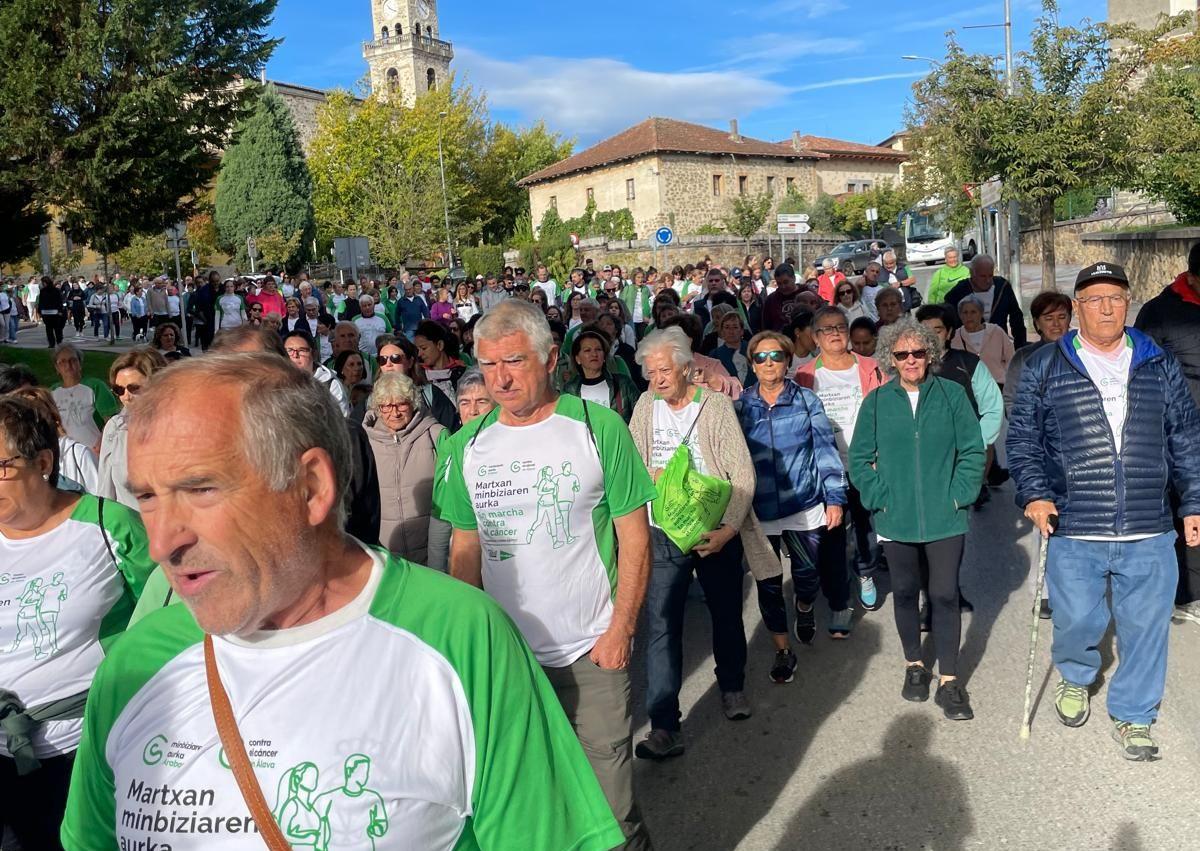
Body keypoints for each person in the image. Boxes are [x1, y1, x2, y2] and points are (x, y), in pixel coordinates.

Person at [63, 353, 625, 851]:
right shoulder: (136, 666)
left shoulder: (460, 638)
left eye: (201, 490)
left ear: (309, 487)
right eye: (147, 498)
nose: (162, 542)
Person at [433, 299, 655, 848]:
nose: (499, 379)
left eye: (512, 361)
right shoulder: (467, 447)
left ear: (550, 357)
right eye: (487, 365)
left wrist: (620, 630)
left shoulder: (597, 427)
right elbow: (465, 553)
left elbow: (635, 535)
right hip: (510, 661)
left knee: (613, 812)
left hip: (591, 651)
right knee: (536, 808)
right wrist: (471, 652)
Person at [1007, 262, 1200, 761]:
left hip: (1149, 525)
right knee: (1075, 620)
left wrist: (1194, 500)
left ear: (1129, 301)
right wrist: (1033, 493)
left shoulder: (1158, 361)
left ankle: (1135, 715)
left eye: (1116, 297)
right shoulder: (1046, 366)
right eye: (1095, 299)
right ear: (1078, 309)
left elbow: (1185, 436)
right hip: (1076, 522)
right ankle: (1075, 675)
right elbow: (1024, 439)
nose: (1107, 307)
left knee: (1146, 628)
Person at [0, 397, 153, 849]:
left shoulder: (110, 525)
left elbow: (166, 621)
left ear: (44, 462)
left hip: (84, 751)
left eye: (2, 465)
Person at [629, 327, 778, 760]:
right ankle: (663, 724)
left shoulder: (714, 407)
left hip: (714, 530)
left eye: (664, 369)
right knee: (660, 626)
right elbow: (633, 467)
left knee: (726, 613)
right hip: (663, 532)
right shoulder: (644, 407)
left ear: (685, 368)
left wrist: (729, 529)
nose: (657, 378)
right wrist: (649, 479)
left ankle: (731, 687)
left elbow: (741, 474)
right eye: (650, 371)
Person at [849, 319, 985, 721]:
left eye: (918, 353)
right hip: (896, 518)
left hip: (947, 517)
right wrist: (879, 498)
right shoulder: (876, 402)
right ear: (890, 359)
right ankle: (914, 665)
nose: (911, 360)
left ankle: (949, 679)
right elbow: (859, 459)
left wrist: (960, 495)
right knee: (906, 592)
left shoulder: (952, 395)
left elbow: (973, 451)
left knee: (944, 594)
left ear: (930, 354)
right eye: (902, 354)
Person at [736, 330, 850, 685]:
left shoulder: (806, 401)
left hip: (804, 504)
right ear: (752, 365)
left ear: (787, 361)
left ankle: (804, 606)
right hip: (759, 513)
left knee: (806, 576)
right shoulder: (741, 407)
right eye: (760, 357)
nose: (768, 364)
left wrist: (835, 497)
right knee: (769, 585)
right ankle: (783, 650)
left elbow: (825, 450)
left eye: (776, 356)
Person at [795, 308, 886, 609]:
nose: (834, 333)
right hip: (825, 469)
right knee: (831, 532)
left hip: (864, 462)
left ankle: (865, 573)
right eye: (826, 329)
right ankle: (837, 592)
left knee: (866, 526)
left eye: (840, 327)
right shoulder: (805, 375)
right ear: (815, 337)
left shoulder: (872, 367)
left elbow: (888, 412)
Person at [1135, 243, 1200, 626]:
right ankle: (1184, 593)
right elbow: (1143, 374)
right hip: (1179, 430)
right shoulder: (1158, 313)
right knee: (1184, 508)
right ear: (1191, 277)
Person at [365, 372, 446, 566]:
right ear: (377, 408)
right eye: (386, 406)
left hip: (430, 553)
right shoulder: (365, 441)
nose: (395, 413)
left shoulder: (435, 434)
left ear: (413, 403)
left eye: (401, 404)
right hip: (385, 555)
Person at [96, 348, 168, 510]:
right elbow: (105, 492)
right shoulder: (115, 429)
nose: (126, 396)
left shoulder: (182, 427)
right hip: (130, 530)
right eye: (119, 390)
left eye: (134, 388)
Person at [7, 387, 100, 494]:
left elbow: (100, 500)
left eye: (38, 418)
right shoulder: (14, 462)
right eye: (23, 420)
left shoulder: (78, 454)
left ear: (54, 418)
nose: (31, 426)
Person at [49, 344, 120, 453]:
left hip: (95, 451)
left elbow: (112, 421)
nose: (68, 365)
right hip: (65, 454)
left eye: (73, 360)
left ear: (80, 363)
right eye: (62, 362)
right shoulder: (52, 392)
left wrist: (103, 443)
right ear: (57, 368)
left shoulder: (95, 386)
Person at [946, 254, 1028, 348]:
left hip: (998, 345)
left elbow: (1016, 317)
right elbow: (948, 320)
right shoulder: (959, 292)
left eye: (990, 275)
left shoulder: (1002, 287)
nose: (988, 280)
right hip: (968, 347)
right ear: (972, 273)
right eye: (983, 276)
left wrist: (1020, 345)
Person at [562, 327, 640, 424]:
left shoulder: (623, 384)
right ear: (577, 358)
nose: (594, 354)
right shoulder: (570, 390)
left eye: (598, 349)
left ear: (604, 356)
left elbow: (641, 417)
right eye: (587, 350)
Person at [283, 329, 351, 417]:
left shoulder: (330, 385)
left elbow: (342, 420)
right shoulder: (275, 381)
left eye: (302, 350)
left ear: (314, 353)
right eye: (290, 350)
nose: (295, 355)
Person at [951, 296, 1013, 386]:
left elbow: (1011, 358)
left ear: (981, 313)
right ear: (960, 315)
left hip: (998, 384)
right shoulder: (955, 337)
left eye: (973, 312)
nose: (969, 316)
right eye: (965, 312)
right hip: (969, 387)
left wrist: (1007, 378)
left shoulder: (996, 331)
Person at [708, 308, 754, 387]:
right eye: (727, 327)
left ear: (742, 331)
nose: (731, 331)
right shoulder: (714, 355)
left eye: (735, 327)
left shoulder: (753, 350)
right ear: (721, 331)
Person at [761, 263, 808, 332]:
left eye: (786, 282)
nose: (783, 287)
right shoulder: (771, 300)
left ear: (794, 278)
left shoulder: (807, 294)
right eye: (779, 283)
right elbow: (766, 327)